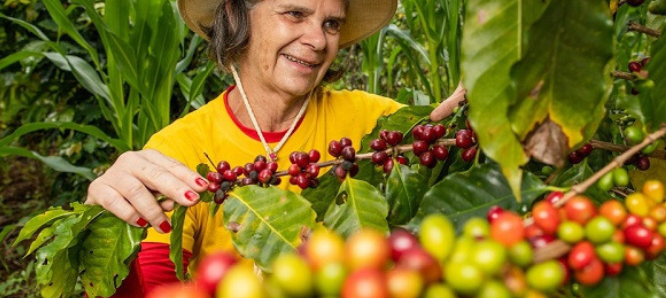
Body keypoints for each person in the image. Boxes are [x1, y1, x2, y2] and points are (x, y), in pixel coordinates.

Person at [84, 0, 465, 296]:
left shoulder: (381, 128)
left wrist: (474, 130)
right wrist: (102, 234)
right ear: (238, 18)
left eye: (331, 23)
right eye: (295, 14)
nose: (318, 41)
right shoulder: (181, 149)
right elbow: (157, 289)